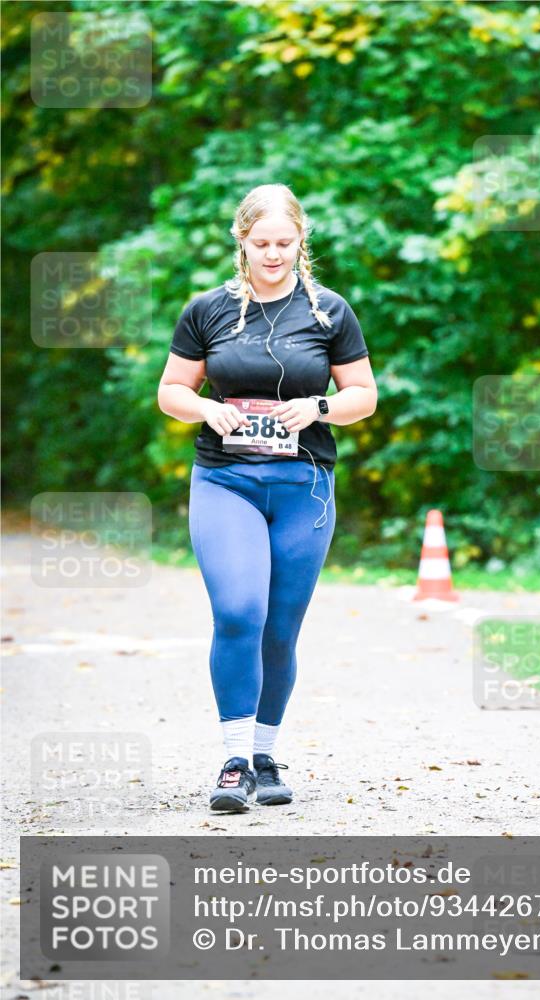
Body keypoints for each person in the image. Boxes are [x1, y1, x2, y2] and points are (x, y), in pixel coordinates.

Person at [157, 183, 377, 812]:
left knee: (279, 630)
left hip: (304, 485)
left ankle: (263, 755)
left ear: (301, 241)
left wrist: (320, 407)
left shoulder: (331, 312)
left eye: (285, 243)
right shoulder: (209, 310)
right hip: (226, 479)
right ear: (241, 242)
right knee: (238, 611)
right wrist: (206, 408)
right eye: (261, 244)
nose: (273, 254)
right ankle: (231, 762)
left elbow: (364, 394)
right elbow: (172, 390)